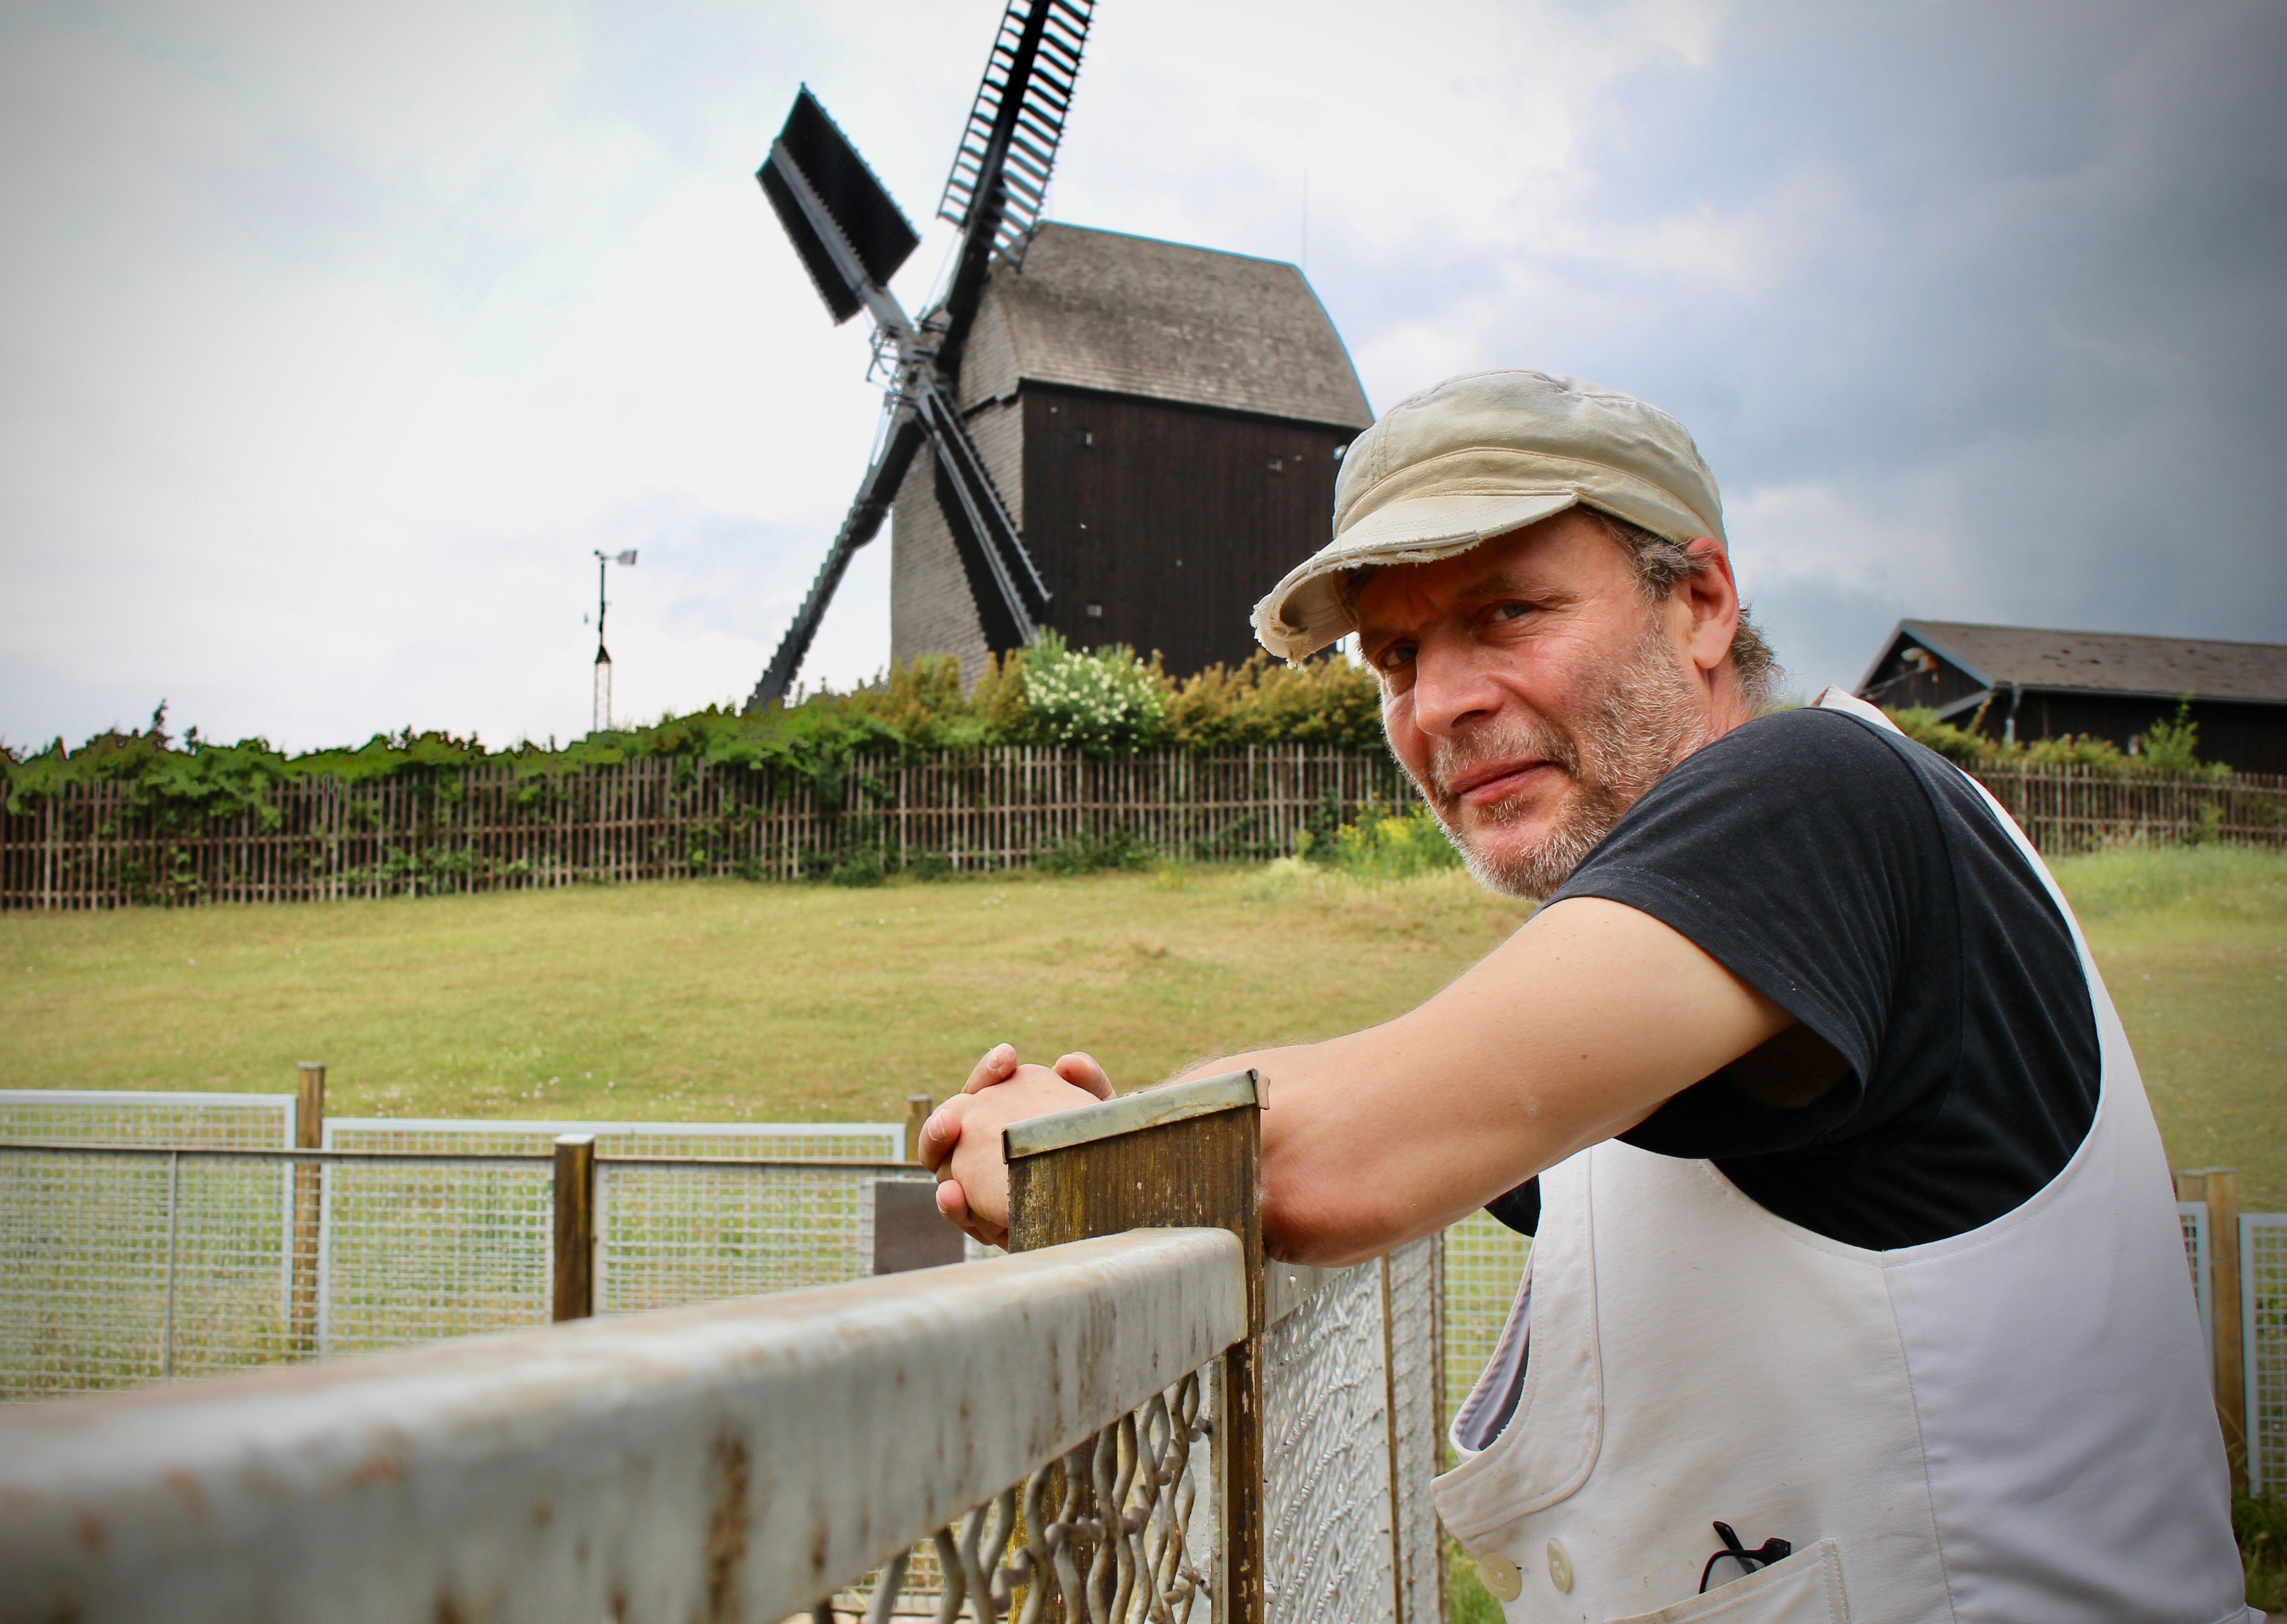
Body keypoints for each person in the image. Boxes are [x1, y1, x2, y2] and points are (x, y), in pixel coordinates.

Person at [916, 370, 2250, 1622]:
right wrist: (1132, 1123)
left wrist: (1055, 1142)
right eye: (1396, 657)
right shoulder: (1685, 1001)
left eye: (1508, 612)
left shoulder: (1818, 798)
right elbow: (1397, 1098)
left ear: (1703, 603)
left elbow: (1330, 1152)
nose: (1441, 704)